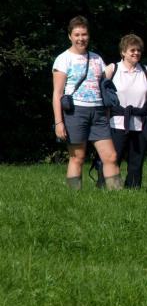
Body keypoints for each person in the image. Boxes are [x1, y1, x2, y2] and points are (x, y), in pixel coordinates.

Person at [52, 16, 122, 190]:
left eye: (84, 34)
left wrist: (106, 113)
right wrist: (59, 122)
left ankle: (119, 197)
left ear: (88, 36)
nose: (81, 38)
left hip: (98, 112)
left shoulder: (97, 59)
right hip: (75, 111)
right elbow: (57, 93)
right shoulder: (63, 59)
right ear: (70, 36)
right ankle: (73, 198)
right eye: (77, 34)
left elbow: (105, 88)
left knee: (111, 156)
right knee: (78, 157)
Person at [102, 34, 147, 189]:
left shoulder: (145, 71)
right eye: (132, 50)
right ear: (123, 52)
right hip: (116, 123)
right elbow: (98, 86)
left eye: (138, 50)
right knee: (113, 159)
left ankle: (133, 190)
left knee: (136, 161)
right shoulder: (113, 69)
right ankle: (108, 188)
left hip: (140, 124)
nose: (136, 53)